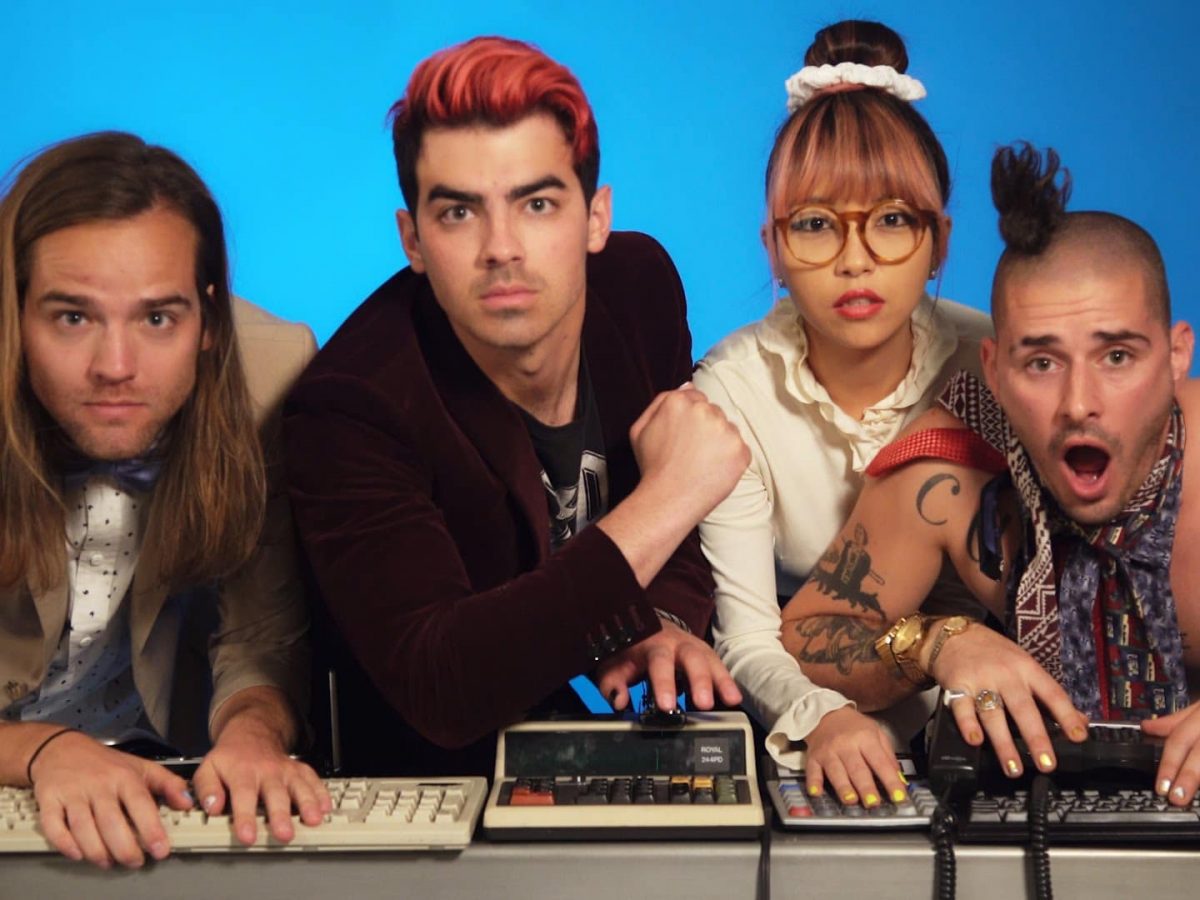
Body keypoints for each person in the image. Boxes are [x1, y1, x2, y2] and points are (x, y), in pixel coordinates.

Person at [284, 36, 748, 775]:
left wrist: (657, 619)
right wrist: (670, 496)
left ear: (595, 217)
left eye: (537, 204)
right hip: (434, 795)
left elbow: (675, 544)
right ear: (412, 239)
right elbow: (441, 685)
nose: (501, 247)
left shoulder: (641, 291)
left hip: (619, 759)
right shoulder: (351, 405)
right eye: (458, 213)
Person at [780, 141, 1200, 806]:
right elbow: (803, 635)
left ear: (1178, 356)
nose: (1079, 403)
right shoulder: (949, 470)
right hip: (1037, 816)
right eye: (1041, 363)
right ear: (995, 371)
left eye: (1117, 356)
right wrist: (937, 642)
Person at [0, 131, 329, 868]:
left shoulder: (271, 374)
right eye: (73, 317)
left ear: (208, 320)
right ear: (14, 313)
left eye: (156, 319)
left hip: (154, 782)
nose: (115, 367)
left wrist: (251, 734)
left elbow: (261, 636)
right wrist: (42, 750)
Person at [693, 19, 990, 808]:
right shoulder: (731, 391)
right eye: (817, 224)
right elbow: (746, 637)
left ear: (940, 240)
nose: (855, 260)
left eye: (892, 220)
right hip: (819, 734)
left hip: (995, 728)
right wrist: (820, 716)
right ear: (773, 247)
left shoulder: (993, 361)